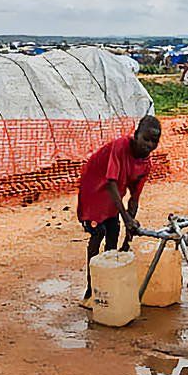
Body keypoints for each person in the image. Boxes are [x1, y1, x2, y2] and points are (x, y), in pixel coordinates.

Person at [76, 116, 162, 302]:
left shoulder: (145, 164)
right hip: (94, 194)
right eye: (146, 139)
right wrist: (126, 218)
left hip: (112, 202)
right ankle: (91, 288)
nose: (149, 144)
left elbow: (134, 198)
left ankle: (106, 286)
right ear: (136, 135)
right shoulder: (120, 146)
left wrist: (129, 230)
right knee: (97, 234)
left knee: (113, 237)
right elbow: (111, 183)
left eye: (154, 141)